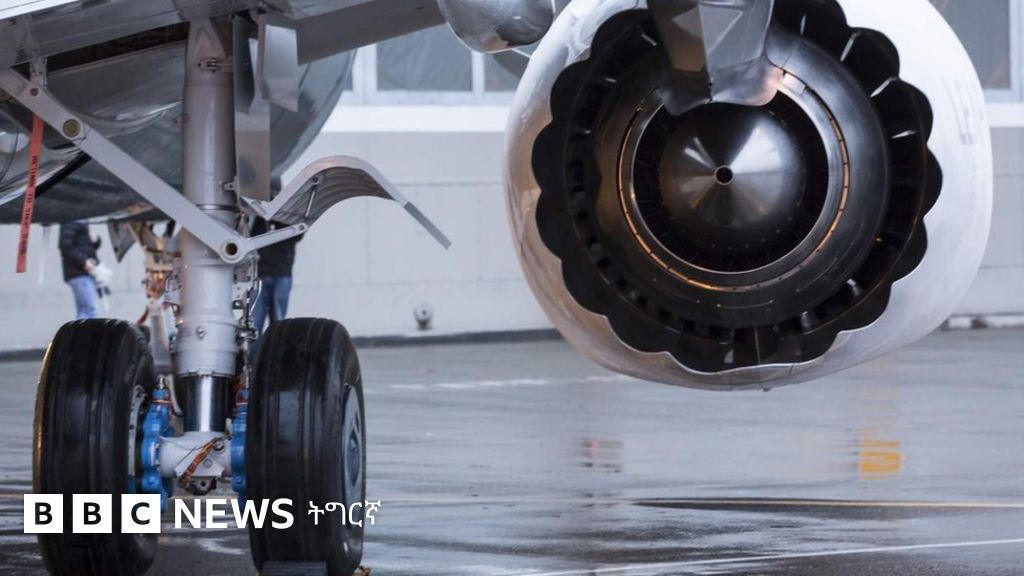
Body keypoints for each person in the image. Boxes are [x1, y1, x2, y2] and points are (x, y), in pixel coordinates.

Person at [252, 218, 302, 334]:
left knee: (278, 322)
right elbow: (251, 237)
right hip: (260, 273)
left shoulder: (289, 218)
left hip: (281, 273)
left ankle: (275, 345)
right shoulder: (260, 219)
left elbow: (298, 235)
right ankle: (255, 347)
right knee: (255, 322)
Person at [58, 221, 112, 320]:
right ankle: (84, 330)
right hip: (78, 272)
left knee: (85, 311)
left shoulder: (81, 221)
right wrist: (83, 262)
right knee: (90, 311)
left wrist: (96, 240)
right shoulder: (72, 220)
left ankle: (80, 330)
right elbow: (65, 246)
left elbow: (85, 247)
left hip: (82, 272)